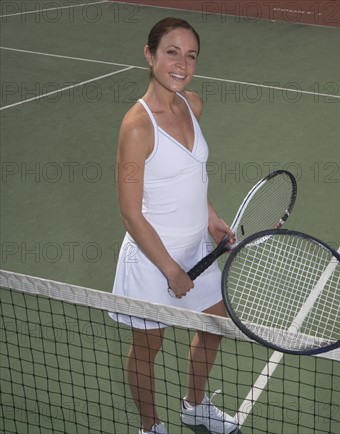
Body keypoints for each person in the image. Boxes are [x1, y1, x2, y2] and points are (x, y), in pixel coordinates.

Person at [109, 17, 238, 434]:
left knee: (215, 326)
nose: (181, 63)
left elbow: (191, 174)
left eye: (190, 55)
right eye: (171, 52)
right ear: (149, 55)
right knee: (149, 347)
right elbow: (130, 212)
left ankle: (194, 406)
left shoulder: (193, 104)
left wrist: (211, 218)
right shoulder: (137, 126)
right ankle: (151, 426)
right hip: (153, 259)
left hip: (196, 247)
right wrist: (169, 269)